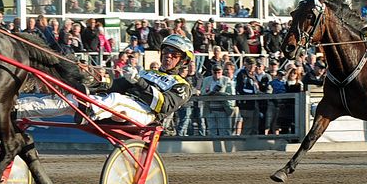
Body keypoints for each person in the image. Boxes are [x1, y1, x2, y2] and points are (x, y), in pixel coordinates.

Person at [14, 35, 194, 126]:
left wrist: (138, 82)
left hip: (146, 114)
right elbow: (116, 86)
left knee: (116, 100)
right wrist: (92, 87)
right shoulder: (147, 72)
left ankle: (89, 110)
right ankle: (17, 109)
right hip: (118, 107)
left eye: (174, 54)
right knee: (71, 100)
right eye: (166, 52)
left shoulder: (182, 86)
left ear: (184, 60)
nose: (168, 56)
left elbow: (163, 105)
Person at [200, 64, 234, 136]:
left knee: (224, 131)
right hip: (210, 110)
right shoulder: (206, 80)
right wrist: (209, 93)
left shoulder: (226, 80)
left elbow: (231, 94)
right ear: (212, 72)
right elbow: (202, 92)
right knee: (212, 132)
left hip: (223, 110)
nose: (217, 74)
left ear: (222, 72)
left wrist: (220, 93)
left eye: (219, 72)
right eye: (215, 72)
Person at [235, 57, 261, 135]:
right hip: (246, 103)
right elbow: (241, 89)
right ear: (246, 64)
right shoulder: (242, 74)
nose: (252, 67)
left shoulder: (254, 75)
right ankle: (245, 145)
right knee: (247, 127)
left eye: (253, 65)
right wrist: (252, 93)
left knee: (255, 126)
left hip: (255, 103)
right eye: (250, 64)